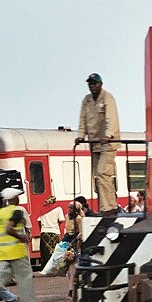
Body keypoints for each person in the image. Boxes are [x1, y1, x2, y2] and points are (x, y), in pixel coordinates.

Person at [76, 73, 121, 217]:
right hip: (95, 143)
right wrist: (80, 136)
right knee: (99, 176)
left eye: (95, 83)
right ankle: (106, 205)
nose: (92, 86)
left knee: (103, 172)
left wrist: (108, 135)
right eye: (90, 83)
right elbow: (83, 119)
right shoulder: (87, 100)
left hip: (108, 143)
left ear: (100, 84)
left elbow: (111, 119)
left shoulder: (108, 98)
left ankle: (109, 207)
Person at [36, 195, 65, 268]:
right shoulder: (58, 208)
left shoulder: (43, 209)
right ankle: (54, 267)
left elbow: (39, 221)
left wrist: (42, 229)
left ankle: (46, 268)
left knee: (45, 252)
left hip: (44, 232)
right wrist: (56, 225)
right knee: (55, 251)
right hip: (55, 232)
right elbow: (61, 220)